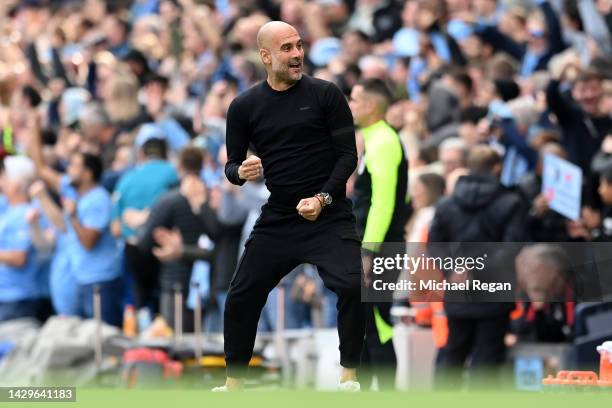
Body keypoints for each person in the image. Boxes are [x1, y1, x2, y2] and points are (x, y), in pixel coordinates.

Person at [216, 21, 364, 392]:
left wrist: (322, 198)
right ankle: (233, 384)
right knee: (241, 294)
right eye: (286, 48)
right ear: (265, 56)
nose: (297, 54)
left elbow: (348, 157)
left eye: (299, 45)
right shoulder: (244, 106)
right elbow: (231, 166)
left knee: (351, 285)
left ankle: (350, 377)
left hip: (328, 213)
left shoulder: (327, 95)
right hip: (281, 215)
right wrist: (240, 171)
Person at [428, 145, 528, 388]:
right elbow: (512, 247)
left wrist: (456, 268)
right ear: (496, 168)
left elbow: (434, 245)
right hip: (494, 294)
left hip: (457, 293)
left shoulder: (446, 204)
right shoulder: (512, 203)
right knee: (486, 363)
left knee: (452, 355)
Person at [349, 78, 409, 390]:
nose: (351, 106)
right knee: (365, 328)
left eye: (355, 100)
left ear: (371, 106)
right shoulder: (375, 139)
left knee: (378, 329)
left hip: (379, 250)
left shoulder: (385, 141)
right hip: (375, 246)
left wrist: (369, 252)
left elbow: (383, 204)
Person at [112, 137, 178, 313]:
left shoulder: (126, 180)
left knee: (139, 302)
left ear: (141, 154)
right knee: (166, 302)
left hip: (133, 248)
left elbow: (116, 228)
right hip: (164, 246)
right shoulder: (173, 173)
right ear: (166, 153)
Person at [0, 156, 41, 321]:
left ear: (17, 183)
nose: (1, 182)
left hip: (18, 298)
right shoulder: (7, 208)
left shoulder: (26, 213)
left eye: (5, 177)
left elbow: (19, 258)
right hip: (6, 296)